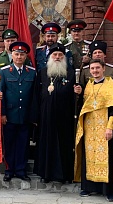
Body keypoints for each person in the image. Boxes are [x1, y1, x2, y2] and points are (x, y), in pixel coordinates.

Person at [74, 59, 113, 202]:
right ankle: (89, 187)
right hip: (90, 128)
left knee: (108, 157)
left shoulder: (110, 85)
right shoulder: (89, 85)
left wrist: (110, 127)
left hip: (105, 127)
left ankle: (109, 190)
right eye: (92, 68)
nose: (95, 71)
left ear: (104, 68)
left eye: (98, 68)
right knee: (89, 157)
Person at [33, 45, 81, 183]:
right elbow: (36, 94)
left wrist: (79, 91)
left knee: (63, 144)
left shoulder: (70, 73)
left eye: (60, 55)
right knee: (46, 144)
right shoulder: (42, 72)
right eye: (55, 55)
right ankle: (45, 174)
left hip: (64, 115)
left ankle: (64, 175)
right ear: (50, 57)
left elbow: (75, 95)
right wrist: (35, 116)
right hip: (46, 116)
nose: (58, 57)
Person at [0, 42, 36, 182]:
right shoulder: (4, 72)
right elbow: (0, 94)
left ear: (26, 56)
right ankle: (9, 169)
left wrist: (32, 115)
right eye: (16, 54)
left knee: (23, 143)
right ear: (11, 55)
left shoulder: (32, 72)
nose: (19, 57)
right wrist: (2, 114)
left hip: (25, 116)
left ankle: (20, 170)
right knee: (9, 143)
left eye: (22, 54)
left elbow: (34, 96)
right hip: (9, 116)